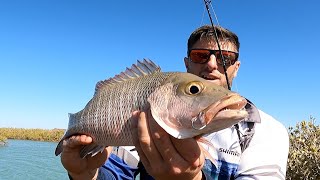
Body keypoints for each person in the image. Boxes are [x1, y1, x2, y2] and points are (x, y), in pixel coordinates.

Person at [60, 25, 289, 179]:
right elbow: (115, 174)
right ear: (187, 63)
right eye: (201, 55)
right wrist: (84, 175)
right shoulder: (144, 121)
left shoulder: (266, 132)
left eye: (224, 58)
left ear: (236, 68)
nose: (211, 64)